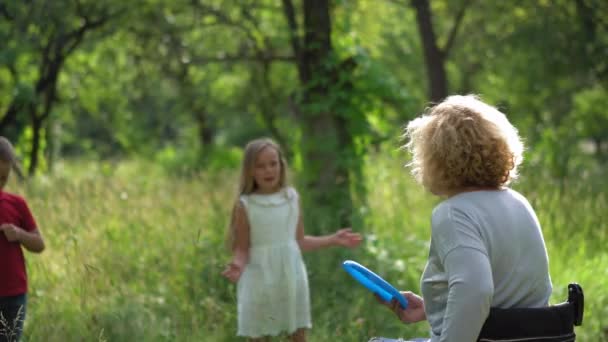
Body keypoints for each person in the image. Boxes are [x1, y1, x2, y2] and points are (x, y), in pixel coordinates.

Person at [370, 95, 552, 342]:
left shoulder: (454, 213)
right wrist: (432, 309)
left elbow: (475, 290)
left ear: (434, 158)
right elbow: (511, 298)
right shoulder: (519, 203)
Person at [221, 137, 363, 342]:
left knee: (297, 332)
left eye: (273, 164)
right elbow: (242, 248)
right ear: (250, 170)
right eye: (260, 166)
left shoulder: (291, 197)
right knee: (258, 334)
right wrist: (237, 265)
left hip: (291, 275)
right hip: (258, 276)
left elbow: (300, 241)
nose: (268, 170)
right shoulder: (246, 204)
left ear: (281, 165)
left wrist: (333, 239)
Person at [0, 137, 45, 342]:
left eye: (3, 178)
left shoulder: (16, 203)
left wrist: (19, 234)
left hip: (14, 295)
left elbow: (39, 244)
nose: (0, 183)